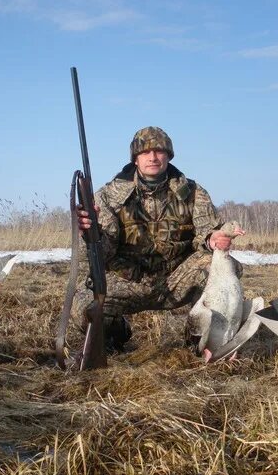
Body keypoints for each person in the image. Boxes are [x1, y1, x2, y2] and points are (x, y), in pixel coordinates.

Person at [75, 126, 241, 352]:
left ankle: (201, 339)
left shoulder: (192, 192)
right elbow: (104, 252)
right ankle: (114, 332)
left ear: (168, 156)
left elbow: (206, 231)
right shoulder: (108, 196)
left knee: (219, 269)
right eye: (145, 152)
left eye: (159, 151)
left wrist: (213, 239)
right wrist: (89, 233)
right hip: (129, 281)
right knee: (83, 306)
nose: (152, 157)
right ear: (135, 159)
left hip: (177, 278)